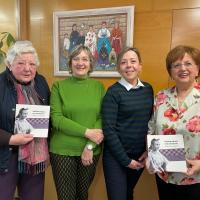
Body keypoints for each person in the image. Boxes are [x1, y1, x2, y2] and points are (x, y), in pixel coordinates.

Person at [50, 45, 105, 200]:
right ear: (70, 63)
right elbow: (57, 119)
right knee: (66, 197)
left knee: (82, 195)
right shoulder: (58, 86)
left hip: (90, 149)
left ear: (90, 64)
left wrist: (89, 145)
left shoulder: (99, 87)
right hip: (62, 150)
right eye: (76, 59)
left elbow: (102, 117)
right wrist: (87, 132)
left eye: (85, 59)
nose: (80, 63)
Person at [147, 45, 200, 200]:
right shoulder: (161, 96)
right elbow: (151, 129)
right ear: (170, 72)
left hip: (196, 178)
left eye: (188, 63)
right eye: (176, 65)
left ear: (197, 69)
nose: (182, 68)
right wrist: (151, 156)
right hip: (165, 176)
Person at [0, 40, 50, 200]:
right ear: (9, 64)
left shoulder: (41, 82)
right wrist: (11, 139)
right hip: (5, 156)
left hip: (35, 155)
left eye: (32, 64)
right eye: (20, 63)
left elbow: (48, 114)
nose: (27, 68)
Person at [102, 47, 154, 200]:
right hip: (116, 158)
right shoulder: (113, 93)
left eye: (133, 61)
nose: (129, 65)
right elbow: (109, 130)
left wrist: (147, 150)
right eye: (124, 62)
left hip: (139, 156)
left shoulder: (148, 89)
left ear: (140, 66)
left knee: (128, 194)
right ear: (119, 68)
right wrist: (126, 160)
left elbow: (151, 122)